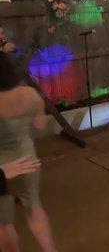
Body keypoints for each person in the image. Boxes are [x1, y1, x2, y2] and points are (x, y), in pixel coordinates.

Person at [0, 51, 57, 252]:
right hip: (27, 160)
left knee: (3, 221)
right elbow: (40, 125)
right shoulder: (31, 95)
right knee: (34, 207)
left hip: (2, 167)